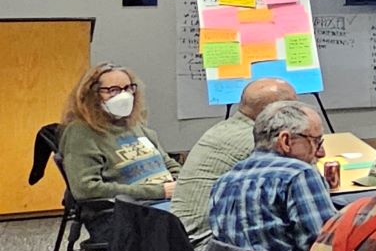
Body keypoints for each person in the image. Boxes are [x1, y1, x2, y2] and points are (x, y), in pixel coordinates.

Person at [207, 100, 339, 251]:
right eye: (316, 141)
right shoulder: (299, 174)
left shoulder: (222, 183)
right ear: (286, 141)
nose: (321, 153)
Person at [169, 78, 297, 239]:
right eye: (295, 108)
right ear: (278, 113)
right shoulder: (257, 142)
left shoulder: (224, 128)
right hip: (209, 246)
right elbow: (298, 190)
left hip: (184, 239)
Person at [58, 63, 175, 206]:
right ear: (92, 94)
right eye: (113, 90)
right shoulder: (81, 132)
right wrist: (158, 192)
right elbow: (86, 189)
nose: (123, 96)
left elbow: (168, 163)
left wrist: (187, 184)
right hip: (134, 209)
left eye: (128, 88)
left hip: (170, 198)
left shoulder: (135, 125)